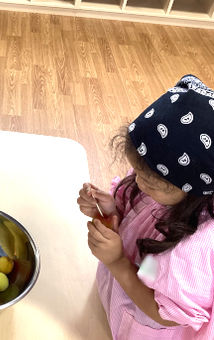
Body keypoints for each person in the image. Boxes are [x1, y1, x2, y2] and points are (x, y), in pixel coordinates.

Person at [77, 74, 214, 339]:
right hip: (121, 295)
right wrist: (111, 210)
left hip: (143, 324)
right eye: (137, 172)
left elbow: (167, 314)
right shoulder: (163, 180)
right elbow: (146, 260)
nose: (138, 182)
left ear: (190, 190)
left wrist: (117, 262)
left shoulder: (194, 249)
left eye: (149, 181)